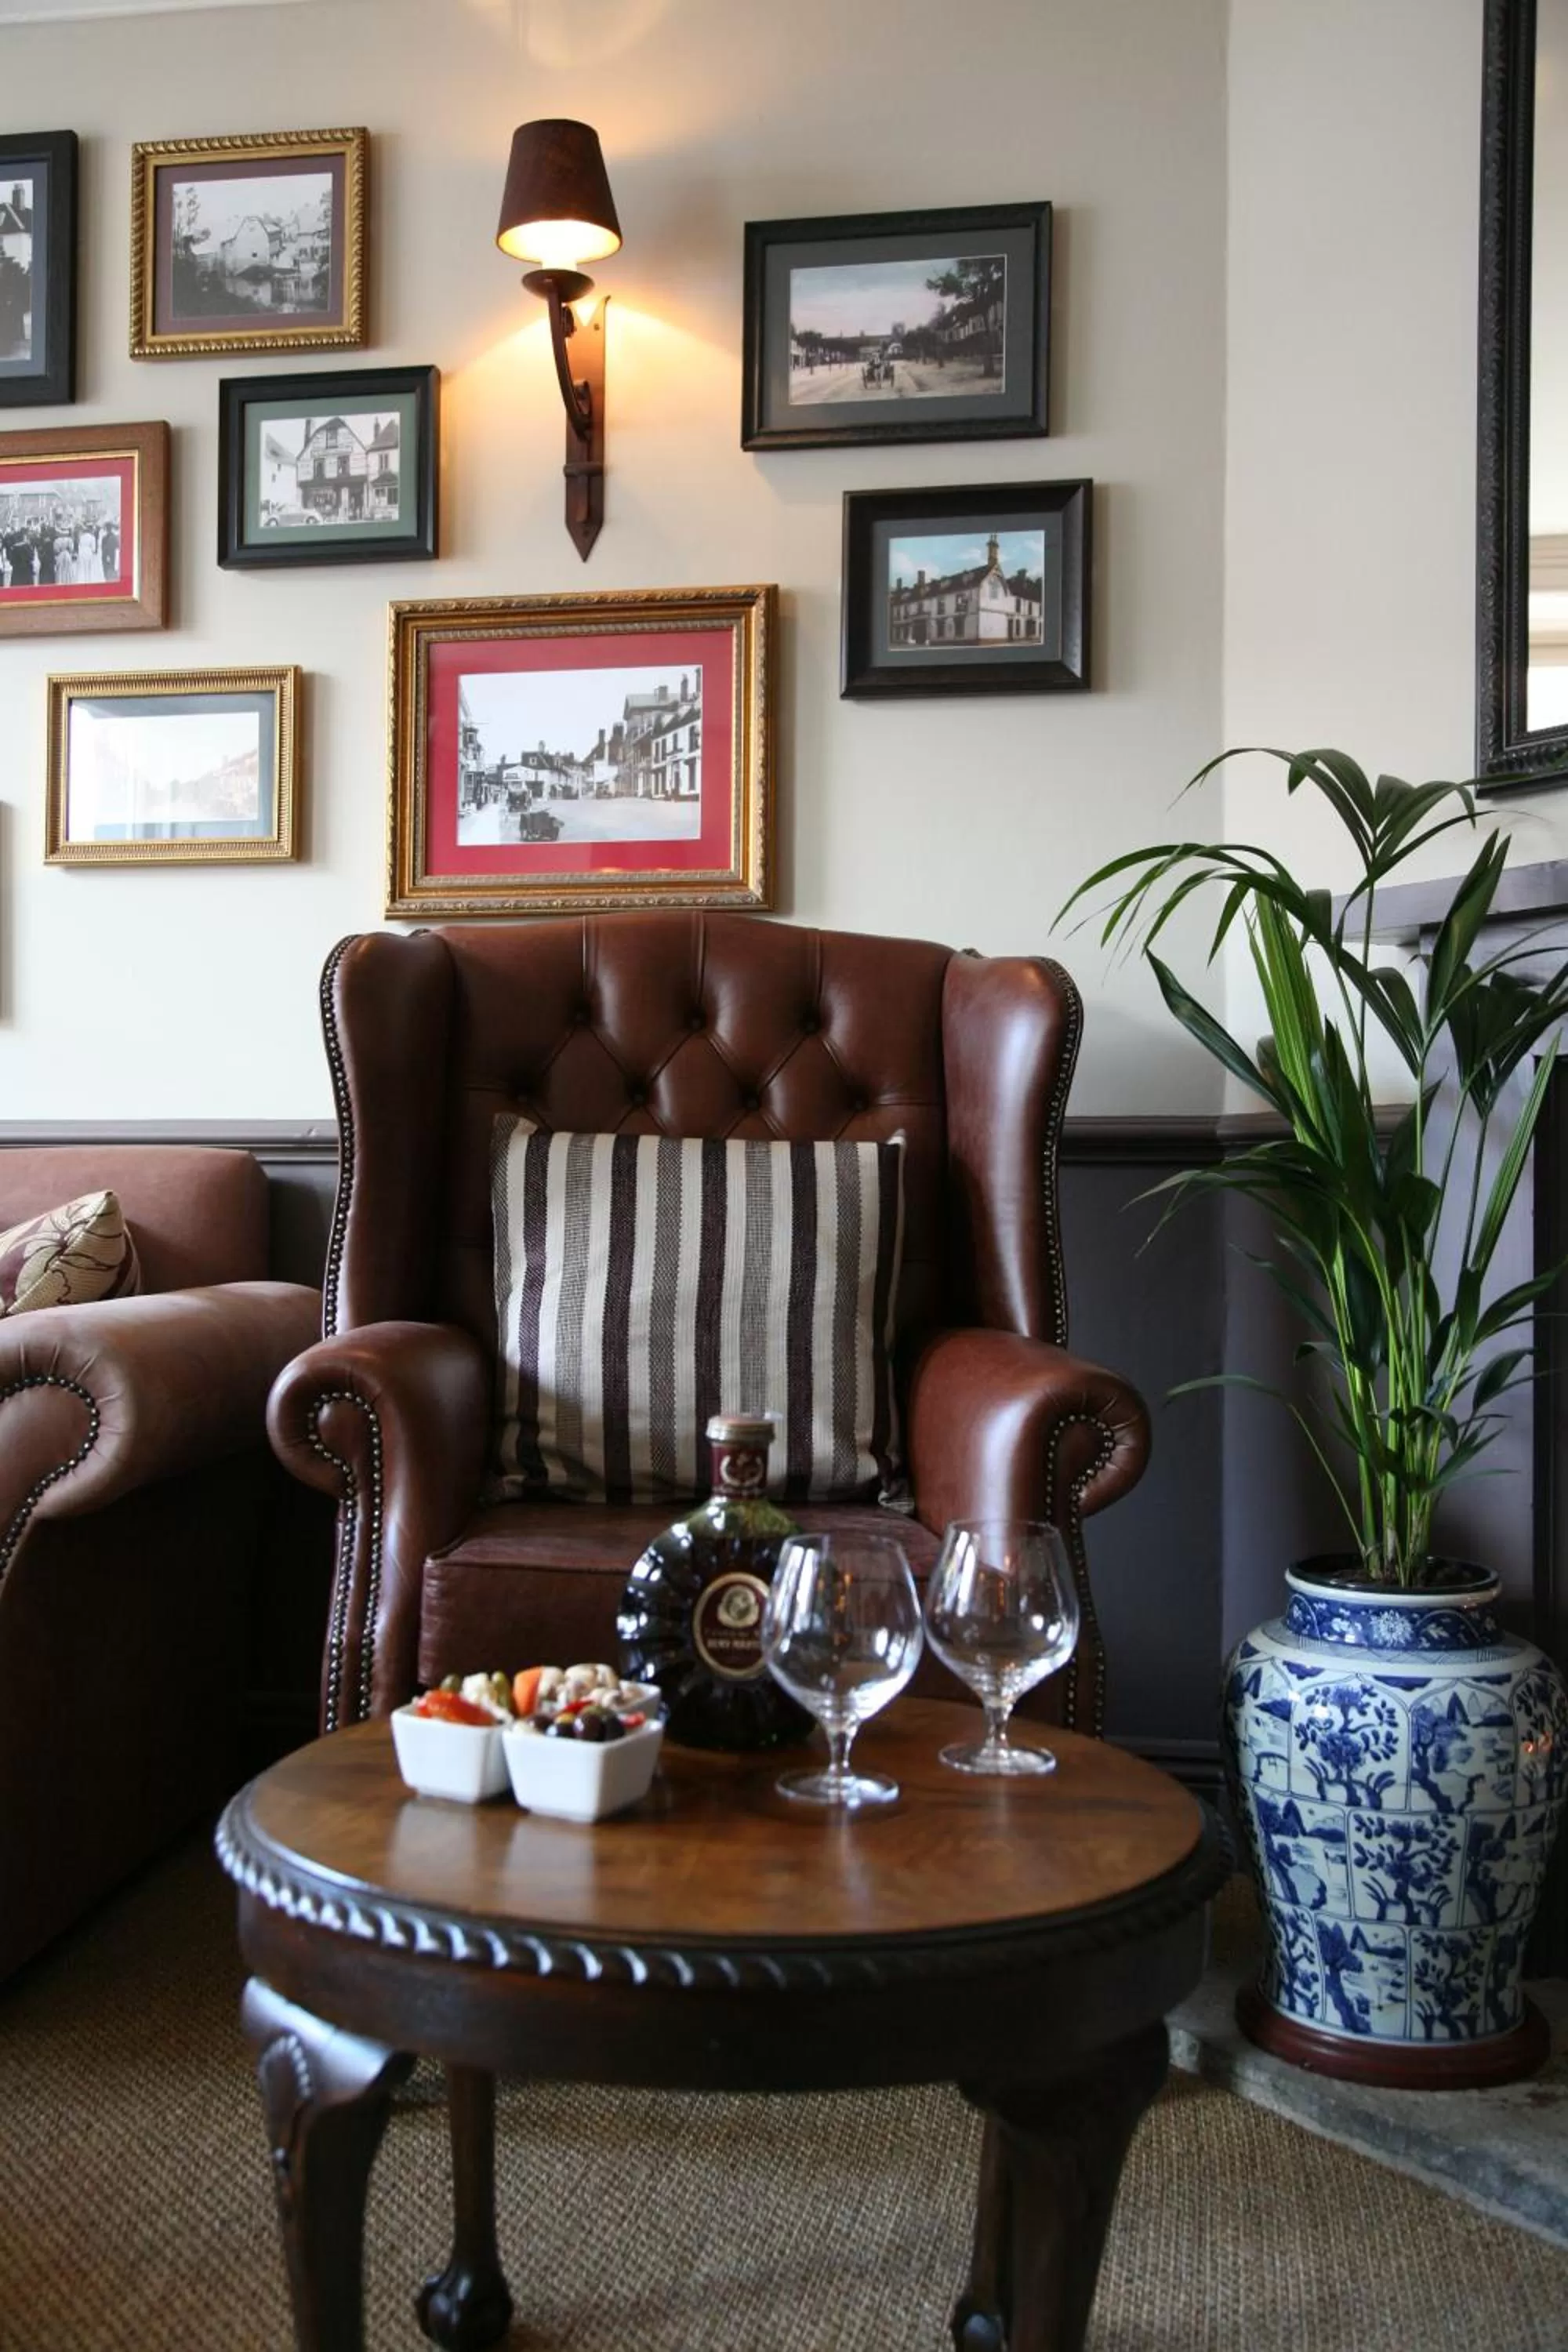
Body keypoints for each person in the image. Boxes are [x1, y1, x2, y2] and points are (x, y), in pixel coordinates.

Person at [99, 517, 119, 581]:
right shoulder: (115, 537)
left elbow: (103, 548)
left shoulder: (105, 538)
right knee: (112, 570)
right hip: (112, 556)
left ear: (106, 529)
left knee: (107, 572)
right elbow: (117, 546)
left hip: (107, 557)